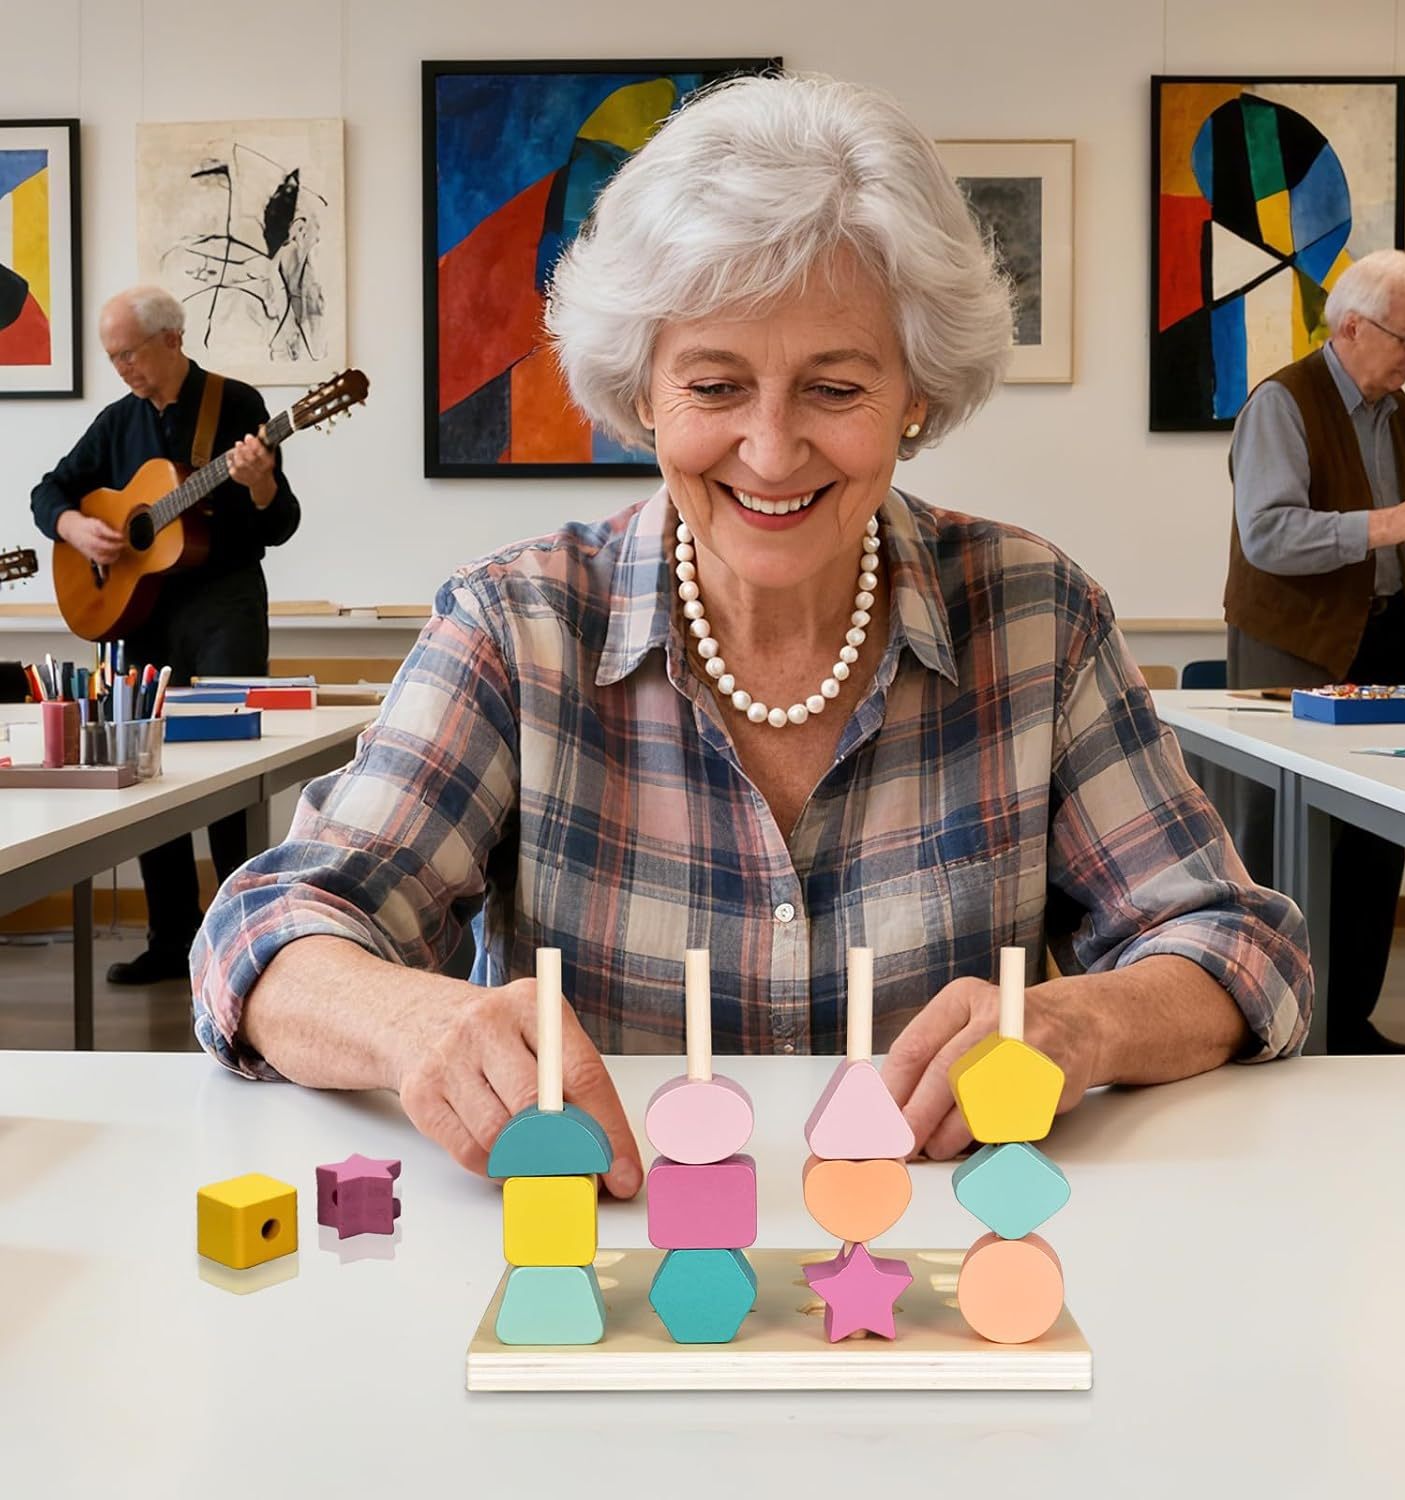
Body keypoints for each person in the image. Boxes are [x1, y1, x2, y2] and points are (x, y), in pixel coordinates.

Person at [193, 75, 1312, 1193]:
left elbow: (1237, 945)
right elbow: (268, 933)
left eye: (834, 388)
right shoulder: (514, 626)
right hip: (602, 1266)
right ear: (643, 393)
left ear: (915, 393)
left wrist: (1084, 1024)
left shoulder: (1037, 616)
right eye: (717, 385)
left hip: (944, 1271)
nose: (772, 453)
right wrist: (414, 1022)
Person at [1222, 249, 1405, 1054]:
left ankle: (1350, 1022)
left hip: (1382, 639)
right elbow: (1267, 535)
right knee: (1286, 842)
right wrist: (1393, 522)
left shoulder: (1404, 417)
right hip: (1289, 649)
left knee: (1377, 841)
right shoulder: (1282, 402)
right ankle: (1276, 1021)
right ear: (1355, 327)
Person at [31, 286, 301, 984]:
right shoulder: (118, 423)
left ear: (172, 341)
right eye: (112, 355)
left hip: (223, 606)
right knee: (145, 771)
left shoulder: (235, 406)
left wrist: (262, 483)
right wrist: (74, 527)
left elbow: (279, 523)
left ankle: (243, 946)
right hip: (137, 616)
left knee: (231, 772)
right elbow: (49, 490)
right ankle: (172, 939)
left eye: (129, 353)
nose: (121, 367)